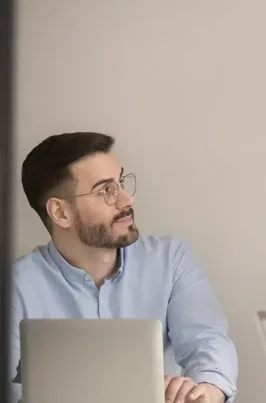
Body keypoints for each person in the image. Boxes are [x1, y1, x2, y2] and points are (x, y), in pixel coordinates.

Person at [9, 132, 239, 403]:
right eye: (106, 190)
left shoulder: (171, 259)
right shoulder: (15, 286)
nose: (127, 200)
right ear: (61, 213)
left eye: (120, 183)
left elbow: (208, 341)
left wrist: (205, 392)